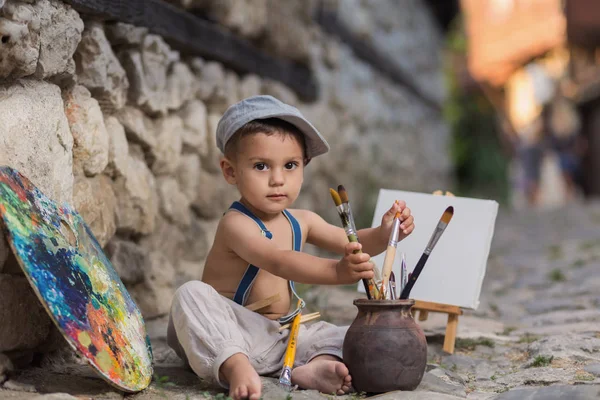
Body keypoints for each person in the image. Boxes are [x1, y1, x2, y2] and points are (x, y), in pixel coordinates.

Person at [167, 95, 414, 400]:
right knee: (190, 294)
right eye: (261, 166)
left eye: (290, 165)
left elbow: (352, 241)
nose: (277, 180)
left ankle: (313, 367)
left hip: (283, 337)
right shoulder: (236, 224)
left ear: (304, 167)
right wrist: (337, 271)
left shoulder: (302, 220)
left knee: (350, 335)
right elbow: (279, 260)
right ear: (231, 171)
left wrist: (386, 232)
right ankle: (235, 367)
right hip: (230, 332)